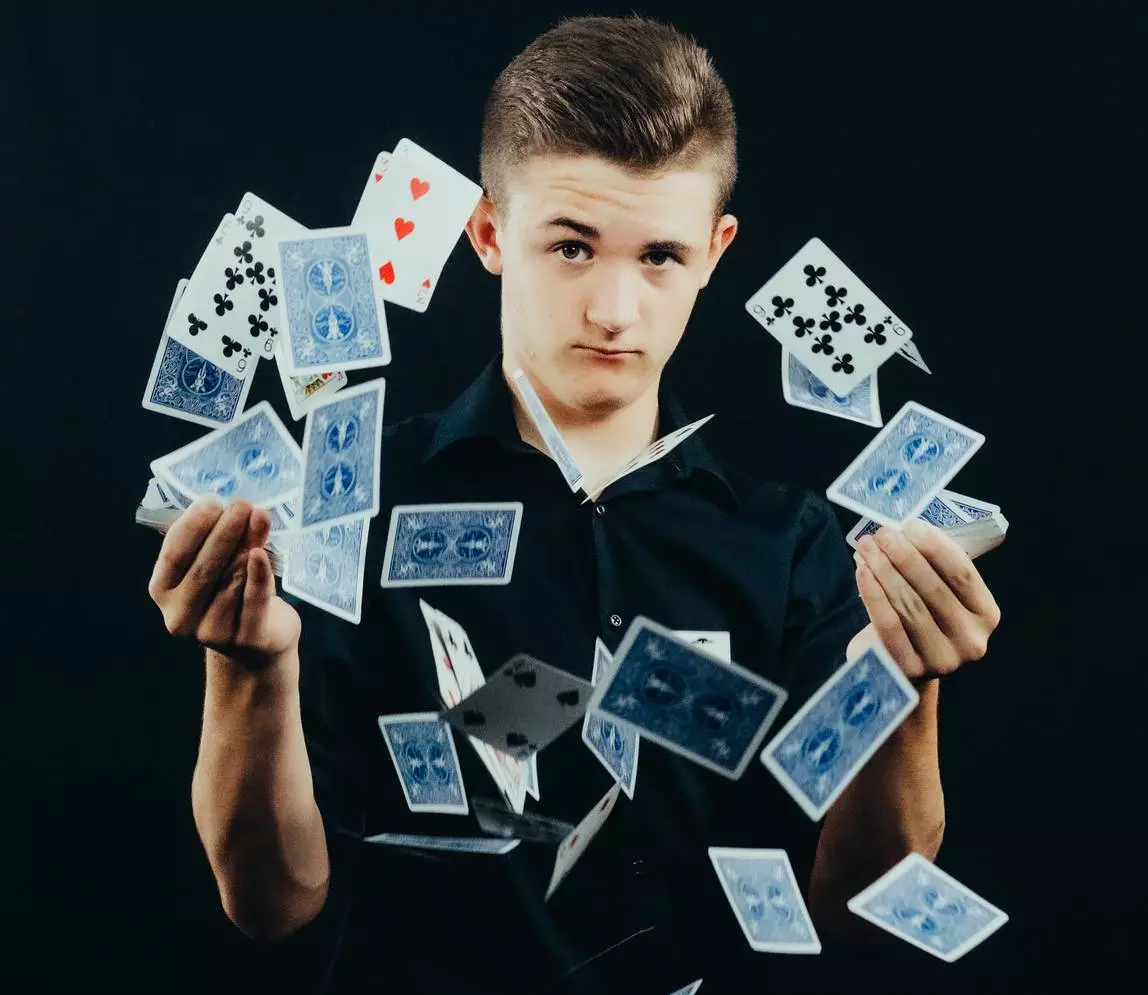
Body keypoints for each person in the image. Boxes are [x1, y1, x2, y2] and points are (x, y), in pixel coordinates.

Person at [147, 14, 1000, 994]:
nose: (612, 309)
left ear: (716, 252)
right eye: (571, 246)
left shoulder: (792, 546)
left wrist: (905, 685)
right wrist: (250, 664)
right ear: (487, 233)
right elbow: (270, 901)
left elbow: (864, 911)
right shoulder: (344, 514)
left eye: (658, 257)